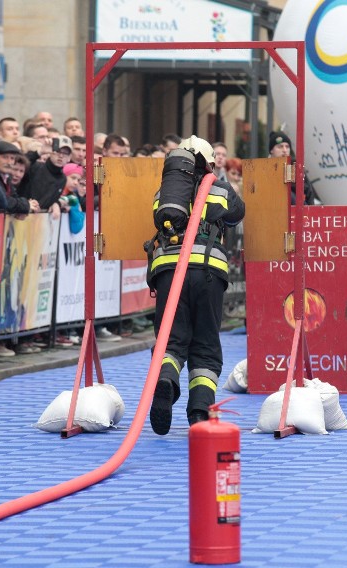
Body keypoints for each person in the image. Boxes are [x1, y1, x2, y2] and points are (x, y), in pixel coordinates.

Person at [146, 135, 245, 434]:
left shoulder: (164, 194)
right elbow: (238, 213)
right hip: (208, 271)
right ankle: (200, 410)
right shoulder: (220, 189)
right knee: (205, 344)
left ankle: (166, 380)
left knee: (170, 339)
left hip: (168, 271)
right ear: (209, 162)